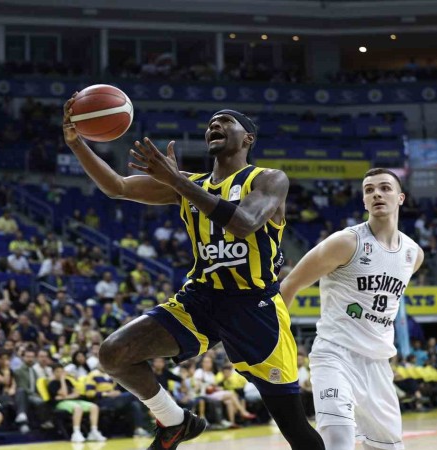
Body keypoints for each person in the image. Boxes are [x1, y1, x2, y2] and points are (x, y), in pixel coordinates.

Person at [63, 96, 324, 450]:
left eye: (226, 121)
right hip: (200, 299)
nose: (215, 125)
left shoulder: (268, 179)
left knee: (294, 428)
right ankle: (175, 421)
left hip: (254, 306)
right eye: (212, 122)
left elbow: (244, 223)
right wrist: (77, 143)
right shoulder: (187, 183)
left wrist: (177, 181)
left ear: (248, 138)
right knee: (113, 353)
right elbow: (117, 187)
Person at [280, 168, 424, 450]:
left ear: (401, 198)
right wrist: (276, 341)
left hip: (378, 363)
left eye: (385, 188)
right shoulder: (346, 242)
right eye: (369, 190)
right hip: (335, 355)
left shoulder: (413, 254)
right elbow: (290, 285)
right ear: (364, 201)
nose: (377, 194)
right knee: (339, 440)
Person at [47, 363, 106, 442]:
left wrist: (66, 396)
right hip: (60, 403)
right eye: (58, 371)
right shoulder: (52, 383)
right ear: (53, 373)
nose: (60, 373)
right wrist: (62, 380)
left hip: (74, 400)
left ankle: (94, 431)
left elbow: (76, 393)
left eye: (62, 371)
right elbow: (64, 393)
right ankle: (76, 432)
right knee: (78, 408)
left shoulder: (68, 381)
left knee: (94, 407)